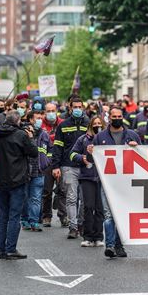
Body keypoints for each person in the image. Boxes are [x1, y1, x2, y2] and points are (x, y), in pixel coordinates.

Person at [88, 106, 141, 258]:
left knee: (122, 214)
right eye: (114, 116)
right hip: (107, 183)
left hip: (126, 183)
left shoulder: (132, 135)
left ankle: (119, 245)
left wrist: (136, 148)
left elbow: (144, 158)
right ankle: (110, 245)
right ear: (109, 118)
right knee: (109, 215)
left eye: (119, 116)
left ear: (122, 117)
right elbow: (93, 160)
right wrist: (91, 152)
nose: (117, 118)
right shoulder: (100, 136)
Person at [0, 110, 38, 260]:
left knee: (2, 216)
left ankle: (1, 249)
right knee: (14, 216)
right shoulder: (21, 135)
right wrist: (31, 137)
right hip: (17, 180)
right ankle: (11, 248)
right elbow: (33, 152)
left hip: (0, 180)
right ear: (17, 121)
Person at [51, 97, 90, 239]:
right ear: (70, 108)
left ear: (83, 108)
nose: (78, 109)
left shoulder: (89, 124)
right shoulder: (63, 125)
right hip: (68, 166)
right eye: (75, 107)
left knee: (85, 199)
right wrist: (56, 166)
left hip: (87, 166)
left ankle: (81, 224)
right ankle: (73, 227)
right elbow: (57, 147)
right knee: (72, 198)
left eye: (80, 106)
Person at [70, 117, 106, 247]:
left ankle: (98, 236)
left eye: (99, 123)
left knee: (100, 208)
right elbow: (72, 154)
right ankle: (88, 236)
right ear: (91, 125)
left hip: (104, 179)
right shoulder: (83, 139)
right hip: (87, 177)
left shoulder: (106, 139)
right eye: (95, 124)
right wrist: (82, 158)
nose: (97, 126)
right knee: (88, 206)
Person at [20, 110, 50, 232]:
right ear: (31, 119)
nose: (40, 120)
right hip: (25, 170)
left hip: (39, 171)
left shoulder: (44, 134)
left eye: (41, 118)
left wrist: (47, 161)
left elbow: (50, 149)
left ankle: (34, 222)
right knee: (25, 197)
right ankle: (25, 220)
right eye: (37, 118)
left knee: (36, 198)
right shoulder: (22, 133)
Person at [40, 102, 65, 227]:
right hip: (46, 163)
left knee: (62, 190)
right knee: (47, 191)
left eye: (53, 110)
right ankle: (46, 216)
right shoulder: (41, 124)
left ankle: (63, 216)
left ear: (57, 111)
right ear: (45, 112)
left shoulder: (62, 123)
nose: (51, 113)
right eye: (48, 111)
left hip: (60, 161)